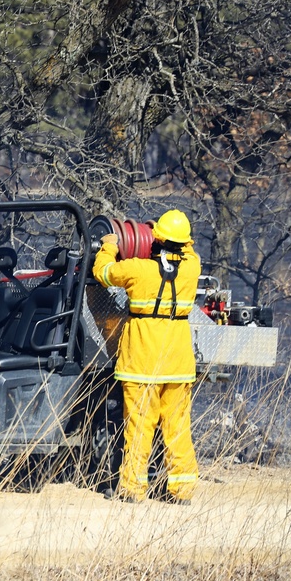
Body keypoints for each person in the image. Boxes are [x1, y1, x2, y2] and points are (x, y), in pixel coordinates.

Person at [92, 209, 201, 504]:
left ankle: (132, 490)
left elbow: (102, 273)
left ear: (157, 240)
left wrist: (110, 244)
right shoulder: (192, 268)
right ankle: (182, 492)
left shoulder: (137, 270)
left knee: (139, 427)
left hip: (141, 364)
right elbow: (188, 250)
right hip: (178, 365)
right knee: (177, 428)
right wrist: (163, 232)